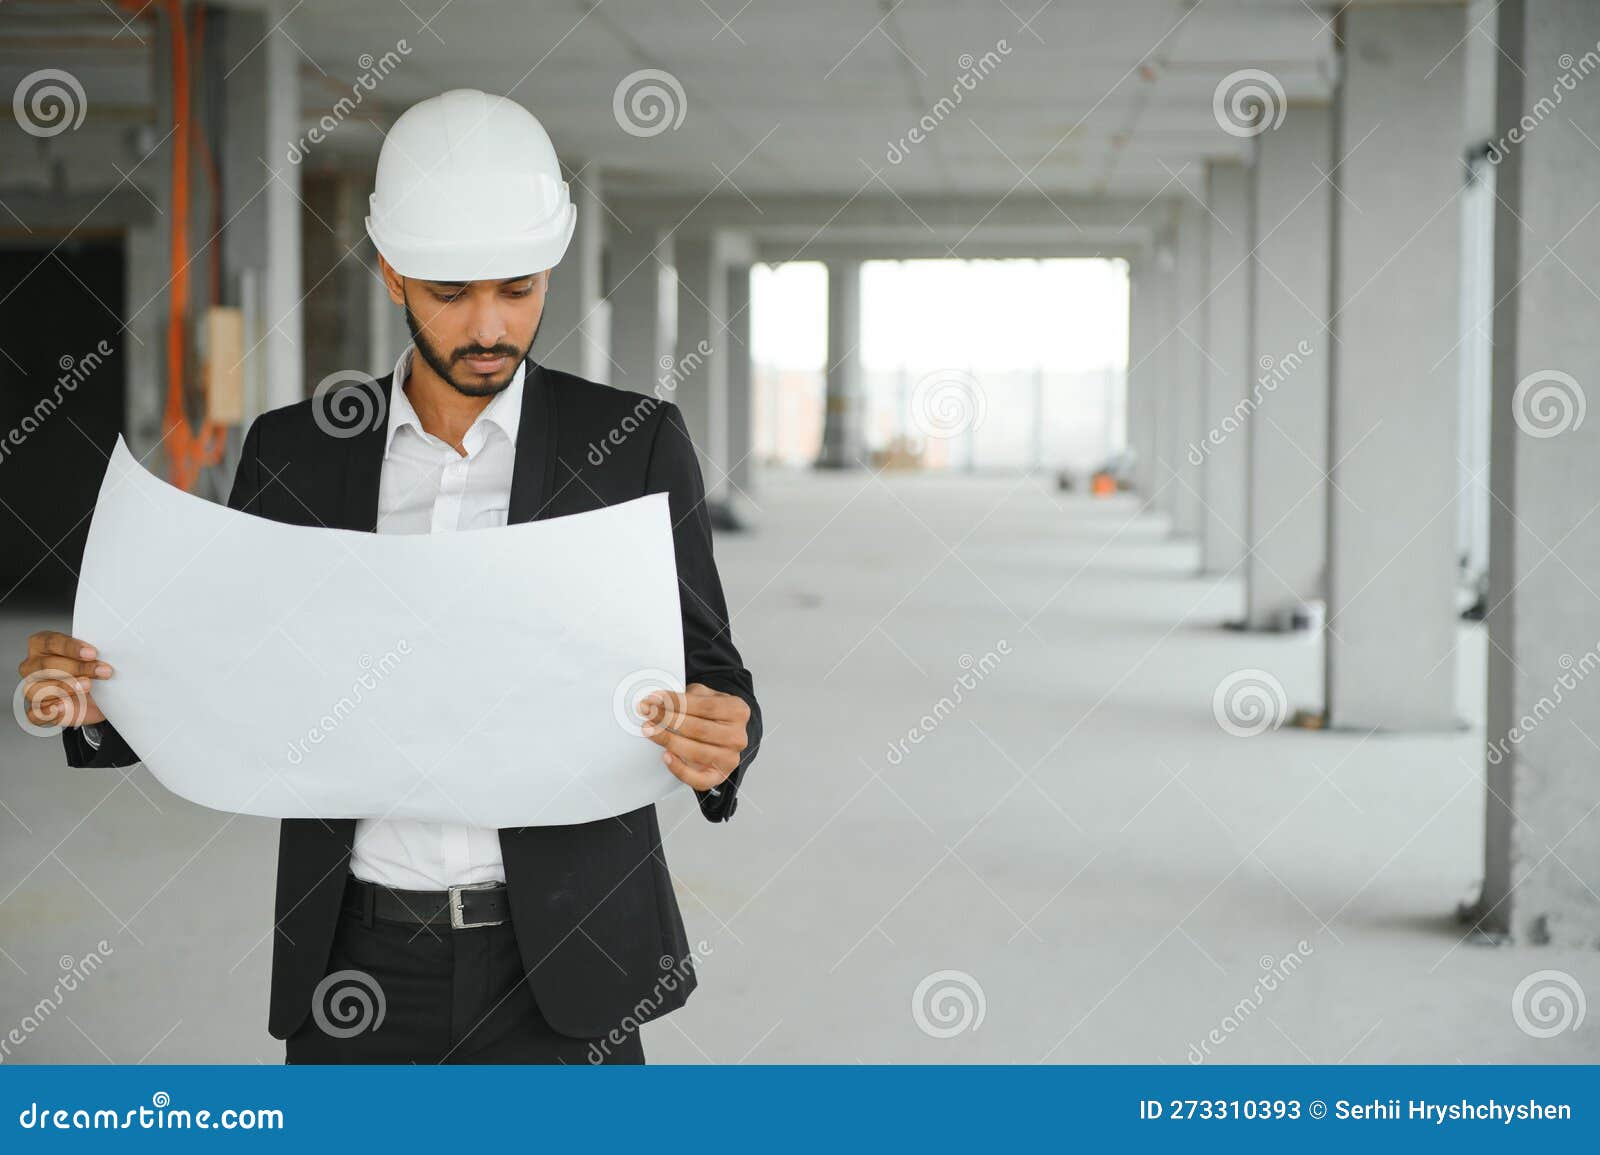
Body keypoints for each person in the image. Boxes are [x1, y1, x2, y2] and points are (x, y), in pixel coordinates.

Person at [15, 89, 761, 1065]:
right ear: (393, 273)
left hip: (565, 964)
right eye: (452, 295)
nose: (490, 326)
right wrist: (92, 698)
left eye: (518, 288)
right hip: (352, 962)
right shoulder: (298, 453)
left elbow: (713, 674)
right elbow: (228, 670)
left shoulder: (628, 446)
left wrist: (723, 741)